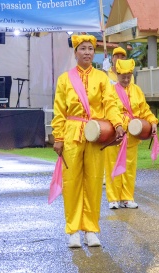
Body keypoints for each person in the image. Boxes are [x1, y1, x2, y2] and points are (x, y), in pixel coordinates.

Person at [52, 34, 124, 248]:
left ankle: (91, 229)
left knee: (93, 181)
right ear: (75, 52)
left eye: (90, 49)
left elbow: (110, 103)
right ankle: (73, 230)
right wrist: (58, 137)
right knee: (72, 182)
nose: (87, 52)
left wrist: (118, 124)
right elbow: (59, 110)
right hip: (72, 133)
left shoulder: (102, 78)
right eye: (82, 48)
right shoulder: (65, 79)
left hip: (96, 133)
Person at [106, 58, 158, 209]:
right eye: (123, 76)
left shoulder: (136, 90)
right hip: (114, 135)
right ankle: (113, 198)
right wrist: (118, 124)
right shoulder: (111, 90)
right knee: (113, 165)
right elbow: (110, 110)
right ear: (117, 74)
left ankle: (127, 197)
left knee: (129, 167)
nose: (126, 79)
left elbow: (144, 110)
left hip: (132, 135)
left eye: (129, 76)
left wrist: (152, 121)